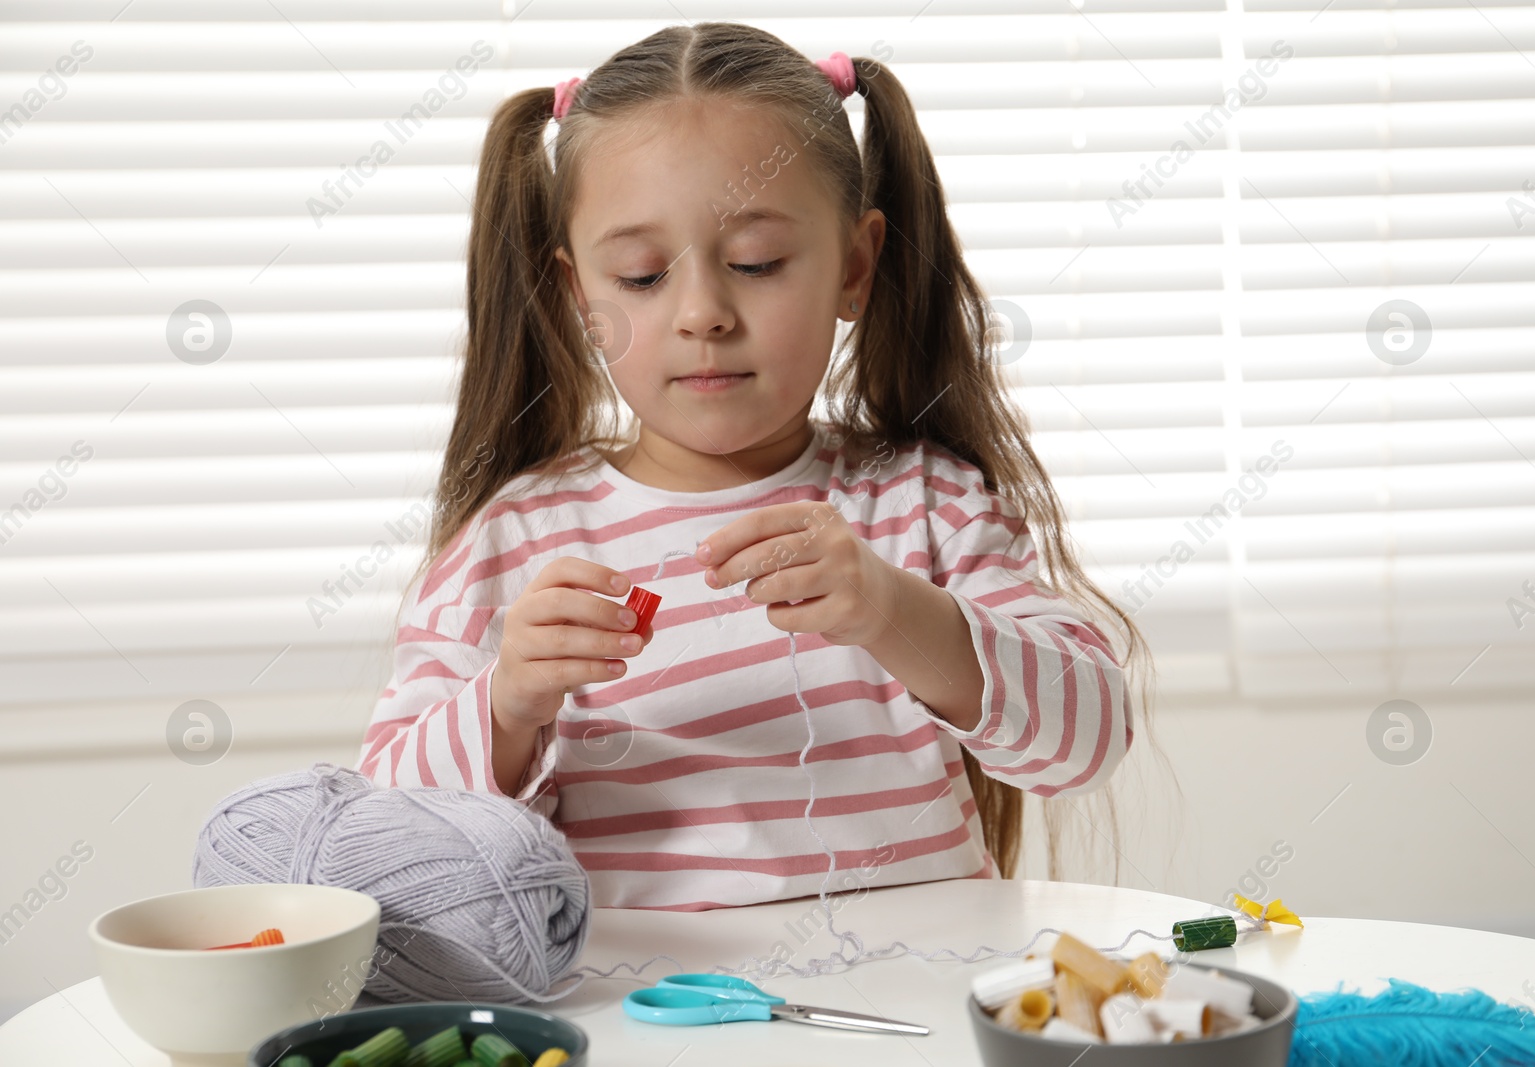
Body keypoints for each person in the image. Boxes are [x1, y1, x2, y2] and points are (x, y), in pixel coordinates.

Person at [357, 22, 1154, 911]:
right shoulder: (516, 542)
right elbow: (388, 841)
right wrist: (506, 706)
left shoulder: (922, 505)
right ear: (578, 296)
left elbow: (1089, 737)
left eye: (756, 262)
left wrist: (893, 609)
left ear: (855, 267)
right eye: (642, 275)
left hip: (916, 1009)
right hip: (649, 1025)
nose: (703, 311)